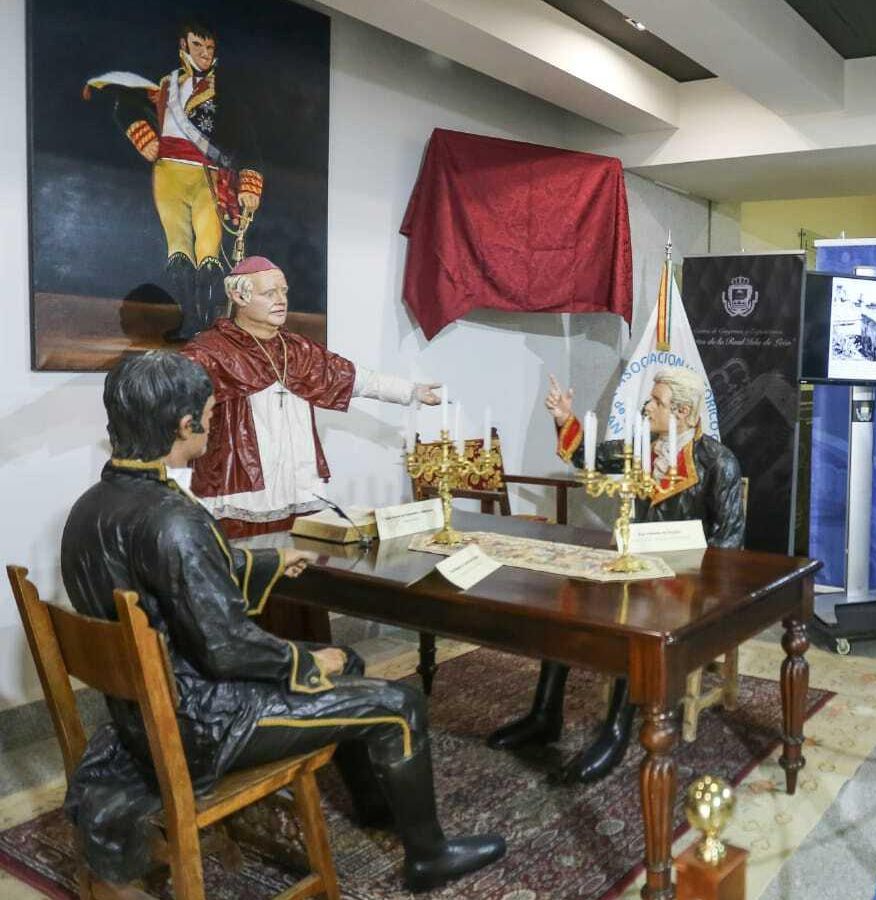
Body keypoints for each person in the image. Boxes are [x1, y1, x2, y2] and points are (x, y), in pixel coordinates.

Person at [59, 352, 504, 890]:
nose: (213, 424)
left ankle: (375, 805)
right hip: (204, 722)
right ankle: (429, 856)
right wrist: (307, 662)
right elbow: (227, 650)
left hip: (143, 719)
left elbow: (171, 582)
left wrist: (268, 562)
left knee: (351, 661)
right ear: (184, 424)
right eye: (210, 414)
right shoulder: (174, 520)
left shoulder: (90, 508)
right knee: (400, 703)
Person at [486, 368, 746, 783]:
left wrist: (694, 583)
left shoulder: (718, 462)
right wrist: (563, 417)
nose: (646, 407)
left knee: (635, 615)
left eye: (656, 401)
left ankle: (615, 731)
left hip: (683, 584)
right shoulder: (640, 446)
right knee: (568, 597)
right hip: (633, 564)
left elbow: (728, 544)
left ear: (682, 411)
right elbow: (585, 455)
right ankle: (544, 714)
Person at [182, 256, 439, 541]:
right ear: (239, 296)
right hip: (241, 481)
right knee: (243, 559)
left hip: (296, 483)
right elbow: (173, 397)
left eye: (284, 291)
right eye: (269, 293)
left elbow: (354, 378)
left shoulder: (297, 350)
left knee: (302, 558)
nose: (281, 300)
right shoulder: (210, 350)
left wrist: (410, 391)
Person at [83, 18, 261, 341]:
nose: (204, 53)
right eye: (198, 45)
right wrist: (142, 134)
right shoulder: (165, 86)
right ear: (183, 46)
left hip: (207, 176)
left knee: (208, 250)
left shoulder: (224, 93)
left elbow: (247, 137)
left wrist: (248, 183)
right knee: (178, 249)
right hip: (168, 175)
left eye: (209, 47)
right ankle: (191, 320)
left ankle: (210, 324)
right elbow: (125, 104)